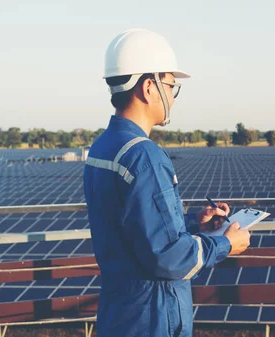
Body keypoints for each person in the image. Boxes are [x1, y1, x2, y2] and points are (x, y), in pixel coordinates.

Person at [83, 29, 251, 337]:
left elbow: (133, 228)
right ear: (149, 88)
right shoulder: (144, 156)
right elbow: (169, 258)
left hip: (119, 310)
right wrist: (226, 243)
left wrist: (191, 223)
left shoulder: (102, 148)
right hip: (152, 317)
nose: (172, 97)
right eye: (171, 86)